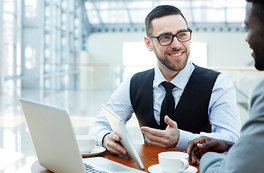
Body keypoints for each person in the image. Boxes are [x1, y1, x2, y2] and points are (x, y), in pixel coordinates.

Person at [88, 5, 241, 156]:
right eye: (165, 37)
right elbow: (99, 125)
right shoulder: (133, 83)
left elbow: (231, 137)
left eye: (182, 34)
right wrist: (105, 138)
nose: (176, 45)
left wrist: (181, 139)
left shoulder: (219, 84)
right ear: (149, 43)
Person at [187, 1, 264, 173]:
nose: (246, 38)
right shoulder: (134, 82)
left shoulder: (220, 83)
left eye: (249, 27)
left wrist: (209, 156)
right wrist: (230, 147)